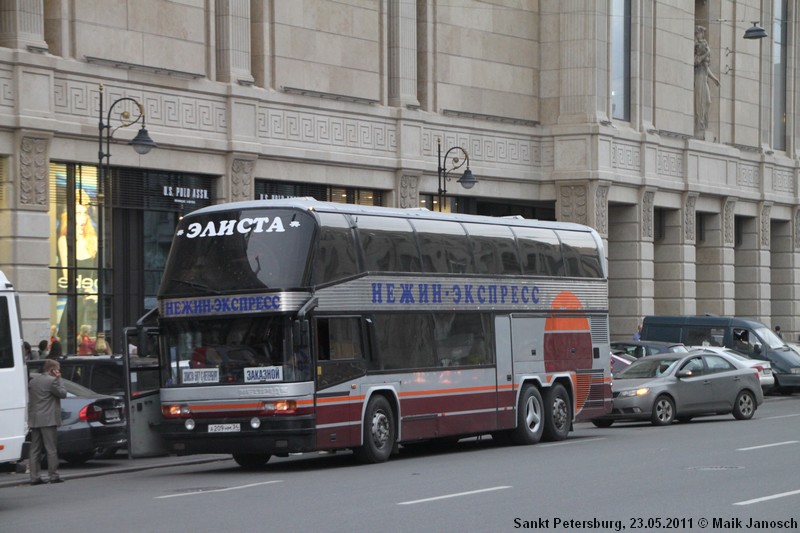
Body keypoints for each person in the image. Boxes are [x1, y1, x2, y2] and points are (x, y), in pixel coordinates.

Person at [28, 359, 67, 485]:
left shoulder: (33, 381)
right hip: (48, 419)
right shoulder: (52, 381)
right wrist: (59, 379)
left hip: (35, 418)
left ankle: (34, 477)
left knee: (35, 449)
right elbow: (63, 394)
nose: (59, 372)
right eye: (58, 369)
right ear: (52, 370)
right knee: (51, 449)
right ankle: (53, 475)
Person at [694, 25, 719, 139]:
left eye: (702, 33)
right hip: (698, 77)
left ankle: (703, 122)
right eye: (699, 33)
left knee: (708, 101)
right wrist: (705, 53)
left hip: (704, 77)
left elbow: (706, 68)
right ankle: (699, 123)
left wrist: (714, 79)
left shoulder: (703, 46)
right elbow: (696, 61)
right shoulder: (696, 47)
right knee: (700, 101)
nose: (701, 35)